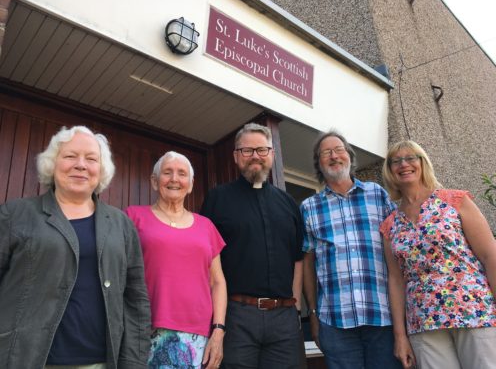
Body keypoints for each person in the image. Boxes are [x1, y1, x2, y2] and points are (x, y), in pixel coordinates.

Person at [0, 125, 151, 369]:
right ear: (53, 163)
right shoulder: (14, 215)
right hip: (22, 360)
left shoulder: (121, 224)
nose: (81, 164)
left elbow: (136, 300)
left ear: (101, 170)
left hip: (99, 363)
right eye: (70, 156)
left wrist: (134, 362)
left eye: (91, 159)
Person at [380, 140, 496, 369]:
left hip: (473, 311)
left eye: (411, 157)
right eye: (396, 161)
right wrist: (400, 336)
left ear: (423, 163)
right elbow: (395, 280)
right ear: (390, 171)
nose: (404, 164)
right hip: (423, 319)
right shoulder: (390, 225)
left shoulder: (455, 201)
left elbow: (489, 255)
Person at [200, 123, 303, 369]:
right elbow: (204, 259)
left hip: (284, 319)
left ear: (272, 155)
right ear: (236, 157)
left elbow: (298, 258)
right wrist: (216, 321)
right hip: (236, 316)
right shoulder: (217, 198)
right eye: (247, 151)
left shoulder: (288, 204)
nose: (255, 155)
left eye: (262, 149)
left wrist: (295, 307)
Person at [300, 130, 401, 369]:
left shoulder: (377, 195)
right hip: (335, 321)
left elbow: (398, 248)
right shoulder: (309, 207)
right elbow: (307, 264)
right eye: (326, 153)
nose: (334, 156)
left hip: (382, 317)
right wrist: (312, 314)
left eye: (339, 150)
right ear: (319, 163)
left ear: (349, 156)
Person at [125, 151, 227, 369]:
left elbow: (217, 282)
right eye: (167, 172)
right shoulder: (132, 217)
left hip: (196, 337)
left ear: (190, 184)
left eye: (182, 174)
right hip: (143, 330)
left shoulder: (206, 226)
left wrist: (218, 331)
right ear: (154, 181)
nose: (174, 179)